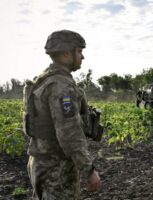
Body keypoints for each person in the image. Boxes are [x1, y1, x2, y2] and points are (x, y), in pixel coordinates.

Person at [24, 30, 101, 199]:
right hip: (56, 167)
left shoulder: (44, 79)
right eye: (79, 51)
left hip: (40, 162)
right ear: (66, 53)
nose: (82, 57)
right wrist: (88, 170)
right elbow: (69, 132)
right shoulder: (61, 86)